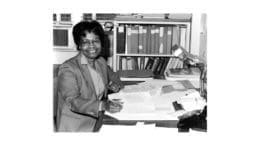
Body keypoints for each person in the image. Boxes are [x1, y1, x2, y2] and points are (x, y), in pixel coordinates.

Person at [56, 20, 124, 132]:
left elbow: (115, 78)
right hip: (76, 126)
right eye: (85, 42)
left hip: (99, 119)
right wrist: (102, 105)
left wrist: (113, 85)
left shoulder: (100, 61)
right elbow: (73, 101)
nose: (92, 46)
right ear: (79, 44)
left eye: (95, 41)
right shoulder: (68, 69)